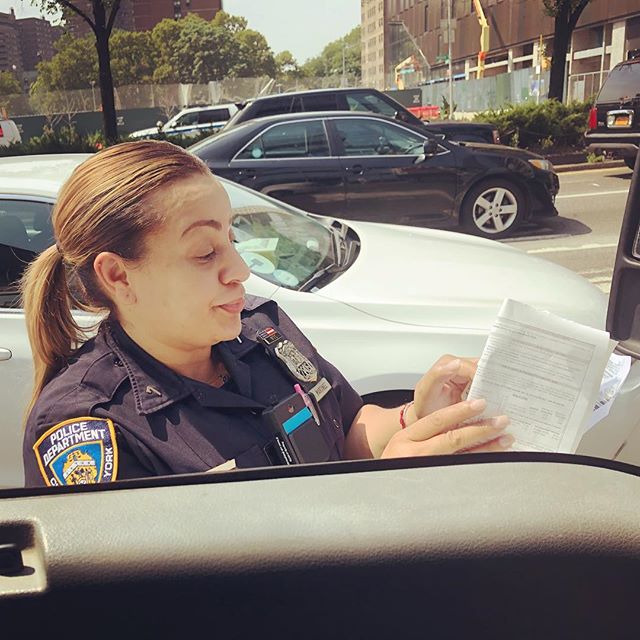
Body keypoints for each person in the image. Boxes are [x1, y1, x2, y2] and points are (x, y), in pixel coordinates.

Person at [21, 141, 513, 487]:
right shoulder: (88, 428)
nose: (238, 269)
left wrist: (413, 417)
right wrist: (381, 493)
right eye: (204, 252)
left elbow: (346, 428)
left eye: (231, 240)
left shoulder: (261, 329)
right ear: (119, 276)